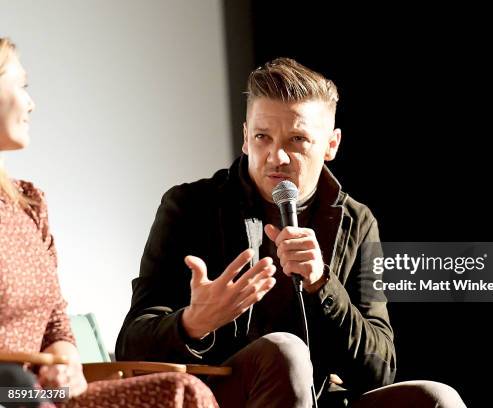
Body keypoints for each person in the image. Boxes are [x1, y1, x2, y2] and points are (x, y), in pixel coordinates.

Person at [116, 57, 466, 408]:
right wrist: (194, 323)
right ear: (245, 138)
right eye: (262, 137)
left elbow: (379, 369)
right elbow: (130, 344)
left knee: (436, 398)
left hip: (323, 399)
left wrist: (322, 285)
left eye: (297, 139)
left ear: (331, 145)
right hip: (227, 396)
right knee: (285, 350)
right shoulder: (189, 206)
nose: (276, 156)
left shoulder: (357, 222)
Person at [0, 37, 219, 408]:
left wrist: (66, 360)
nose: (32, 103)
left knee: (185, 393)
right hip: (9, 393)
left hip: (40, 395)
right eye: (21, 86)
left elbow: (55, 317)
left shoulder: (29, 202)